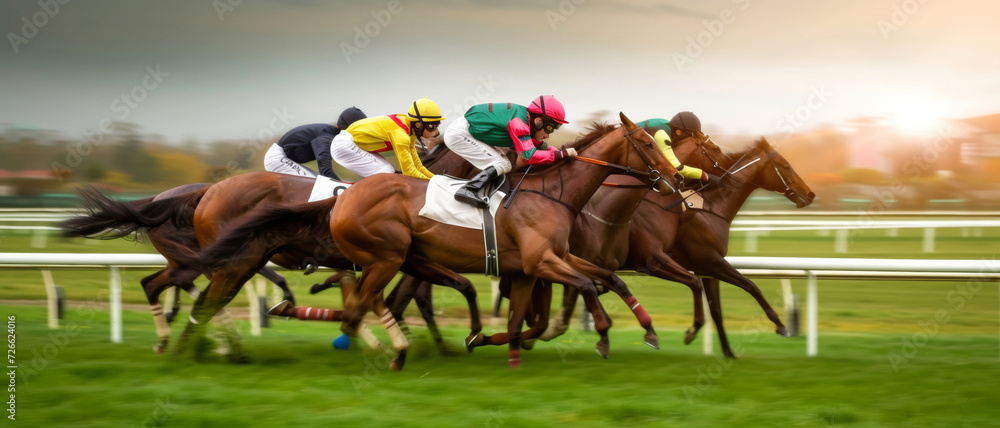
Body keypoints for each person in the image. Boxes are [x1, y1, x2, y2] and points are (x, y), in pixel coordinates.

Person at [448, 95, 576, 208]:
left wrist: (556, 151)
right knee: (502, 164)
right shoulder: (519, 123)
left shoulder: (525, 119)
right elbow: (529, 155)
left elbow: (538, 145)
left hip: (468, 132)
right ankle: (468, 189)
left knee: (505, 164)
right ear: (539, 121)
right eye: (549, 128)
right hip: (460, 134)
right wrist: (562, 154)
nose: (548, 135)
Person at [329, 97, 445, 179]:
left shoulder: (409, 129)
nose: (436, 132)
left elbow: (418, 165)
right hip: (344, 145)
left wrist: (436, 179)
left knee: (389, 170)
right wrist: (434, 184)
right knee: (386, 172)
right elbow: (409, 172)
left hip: (352, 143)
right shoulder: (401, 135)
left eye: (436, 125)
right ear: (418, 124)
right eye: (432, 126)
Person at [263, 107, 367, 179]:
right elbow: (325, 168)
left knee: (316, 180)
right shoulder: (327, 138)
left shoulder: (332, 134)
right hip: (277, 158)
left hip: (283, 156)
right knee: (313, 184)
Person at [637, 113, 722, 186]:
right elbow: (675, 168)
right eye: (690, 135)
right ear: (678, 132)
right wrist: (705, 175)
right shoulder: (662, 135)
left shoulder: (665, 124)